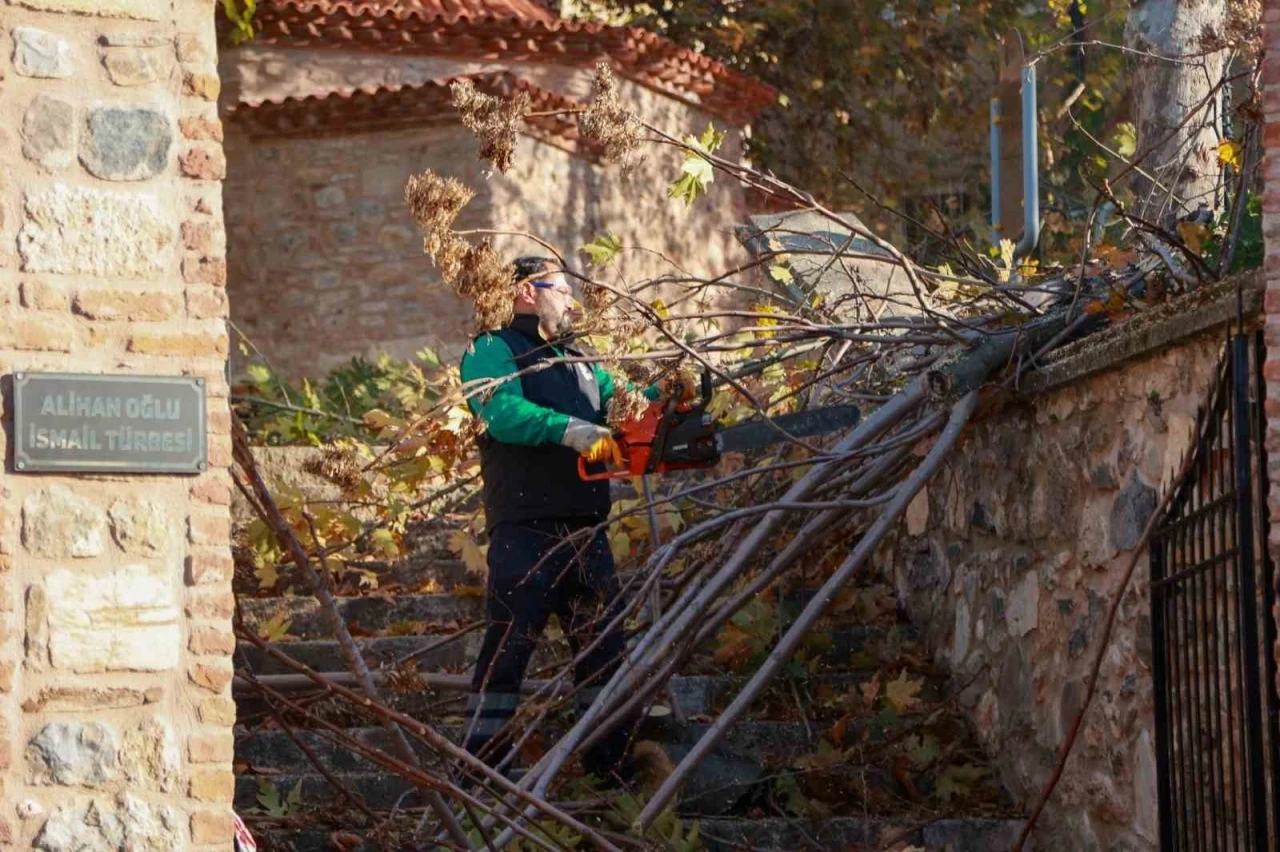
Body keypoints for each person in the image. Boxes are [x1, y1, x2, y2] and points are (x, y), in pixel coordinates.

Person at [459, 255, 654, 787]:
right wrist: (569, 429)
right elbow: (498, 411)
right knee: (507, 654)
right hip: (525, 529)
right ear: (527, 291)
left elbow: (631, 406)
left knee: (605, 654)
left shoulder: (581, 362)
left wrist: (668, 398)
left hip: (586, 529)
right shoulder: (491, 349)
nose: (570, 299)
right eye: (560, 289)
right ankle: (482, 772)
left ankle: (609, 769)